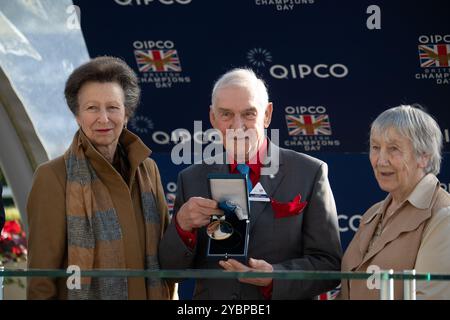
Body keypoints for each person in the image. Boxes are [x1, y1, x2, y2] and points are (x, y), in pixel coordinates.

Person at [159, 68, 342, 300]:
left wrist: (276, 276)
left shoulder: (309, 172)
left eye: (248, 114)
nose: (238, 125)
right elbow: (170, 272)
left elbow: (329, 265)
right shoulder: (191, 178)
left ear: (267, 114)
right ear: (213, 118)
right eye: (226, 114)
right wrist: (182, 227)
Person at [27, 56, 174, 300]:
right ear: (77, 116)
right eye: (92, 108)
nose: (103, 118)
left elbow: (166, 257)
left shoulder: (148, 170)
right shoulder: (52, 177)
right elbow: (41, 279)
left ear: (126, 113)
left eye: (113, 107)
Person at [341, 105, 450, 299]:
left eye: (393, 149)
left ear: (424, 156)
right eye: (375, 147)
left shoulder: (444, 216)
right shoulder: (373, 213)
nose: (381, 160)